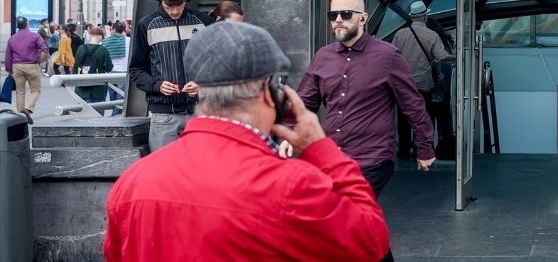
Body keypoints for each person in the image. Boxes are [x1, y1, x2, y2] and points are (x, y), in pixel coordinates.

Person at [104, 21, 390, 261]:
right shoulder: (291, 186)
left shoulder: (132, 182)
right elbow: (370, 241)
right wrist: (320, 148)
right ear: (271, 93)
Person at [297, 0, 434, 262]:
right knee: (354, 223)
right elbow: (304, 103)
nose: (338, 20)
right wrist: (290, 136)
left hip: (372, 158)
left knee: (347, 215)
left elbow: (412, 104)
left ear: (363, 18)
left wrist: (425, 147)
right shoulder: (323, 57)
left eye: (345, 14)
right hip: (332, 158)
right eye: (333, 15)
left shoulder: (388, 56)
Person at [128, 0, 211, 151]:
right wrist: (157, 85)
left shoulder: (204, 22)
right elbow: (136, 69)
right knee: (164, 173)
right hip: (163, 114)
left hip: (202, 111)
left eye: (179, 5)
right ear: (160, 0)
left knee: (203, 171)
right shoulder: (147, 25)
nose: (174, 11)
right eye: (168, 6)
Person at [394, 1, 454, 159]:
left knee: (404, 118)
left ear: (412, 17)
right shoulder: (432, 35)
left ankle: (404, 150)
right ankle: (422, 149)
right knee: (422, 118)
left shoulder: (400, 34)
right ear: (425, 16)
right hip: (424, 85)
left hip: (404, 84)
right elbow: (441, 56)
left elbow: (391, 56)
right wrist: (456, 56)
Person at [4, 16, 49, 122]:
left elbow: (8, 56)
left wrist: (9, 70)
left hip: (17, 66)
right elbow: (45, 49)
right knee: (36, 90)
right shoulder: (35, 36)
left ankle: (21, 112)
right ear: (27, 24)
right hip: (32, 65)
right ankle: (29, 108)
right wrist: (40, 61)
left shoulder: (12, 38)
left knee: (20, 91)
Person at [75, 26, 114, 110]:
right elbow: (109, 68)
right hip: (99, 88)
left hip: (82, 87)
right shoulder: (103, 50)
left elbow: (75, 67)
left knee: (85, 115)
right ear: (100, 36)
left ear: (90, 35)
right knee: (98, 115)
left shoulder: (80, 49)